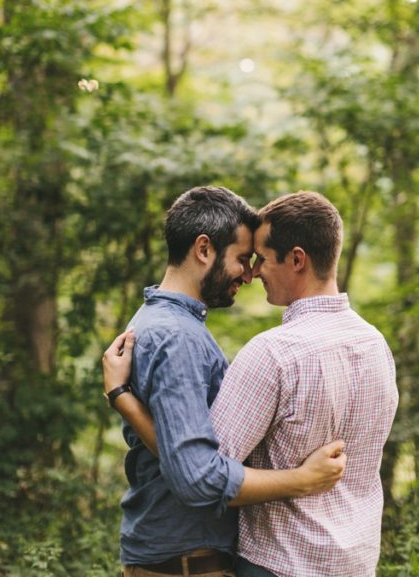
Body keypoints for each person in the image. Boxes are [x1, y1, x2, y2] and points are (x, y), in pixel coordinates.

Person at [104, 190, 398, 577]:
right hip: (354, 562)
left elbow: (199, 474)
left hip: (277, 562)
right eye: (244, 259)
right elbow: (198, 472)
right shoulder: (375, 344)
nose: (251, 273)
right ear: (203, 250)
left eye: (257, 259)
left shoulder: (273, 352)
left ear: (297, 260)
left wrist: (121, 396)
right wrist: (300, 480)